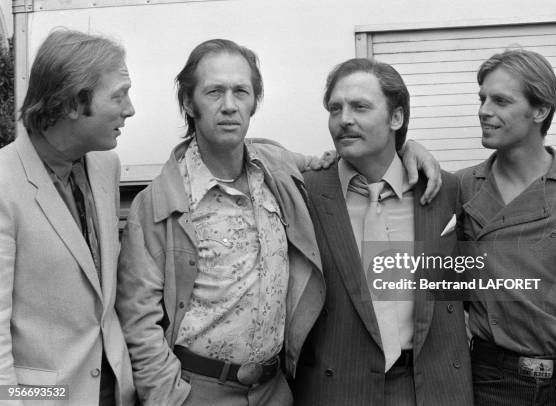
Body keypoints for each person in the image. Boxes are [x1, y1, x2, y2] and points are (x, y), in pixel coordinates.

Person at [115, 39, 440, 406]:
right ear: (190, 103)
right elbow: (138, 320)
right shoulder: (158, 203)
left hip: (274, 391)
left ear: (255, 101)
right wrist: (169, 399)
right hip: (198, 392)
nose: (229, 106)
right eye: (214, 92)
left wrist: (406, 149)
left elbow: (351, 157)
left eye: (241, 91)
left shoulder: (278, 170)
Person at [292, 58, 473, 405]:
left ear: (396, 117)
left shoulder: (444, 191)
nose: (344, 119)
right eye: (335, 108)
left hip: (432, 387)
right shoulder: (305, 193)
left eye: (360, 107)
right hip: (339, 389)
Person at [456, 49, 556, 406]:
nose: (484, 110)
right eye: (482, 98)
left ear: (540, 110)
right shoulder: (462, 187)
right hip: (489, 382)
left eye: (500, 100)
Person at [0, 29, 136, 406]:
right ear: (74, 102)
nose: (130, 109)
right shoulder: (4, 184)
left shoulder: (106, 165)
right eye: (119, 95)